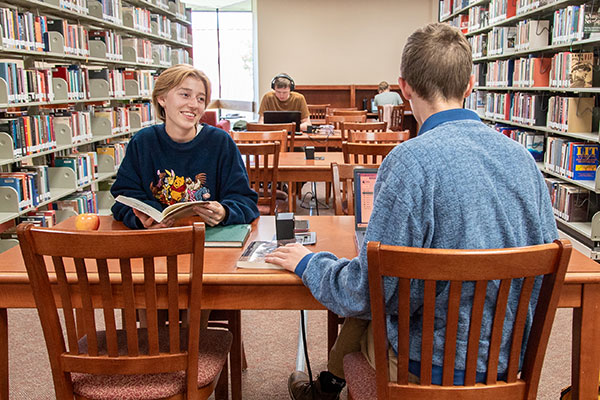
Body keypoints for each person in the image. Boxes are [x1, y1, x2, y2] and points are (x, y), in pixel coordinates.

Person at [265, 23, 558, 400]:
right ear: (469, 84)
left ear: (404, 87)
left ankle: (324, 388)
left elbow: (364, 294)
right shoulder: (522, 159)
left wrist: (308, 263)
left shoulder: (408, 162)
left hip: (426, 366)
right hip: (506, 358)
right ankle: (324, 387)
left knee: (368, 298)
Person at [111, 64, 259, 230]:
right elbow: (122, 200)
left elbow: (245, 201)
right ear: (162, 98)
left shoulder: (220, 142)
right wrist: (140, 219)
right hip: (155, 242)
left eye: (200, 99)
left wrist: (225, 212)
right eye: (185, 95)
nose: (194, 104)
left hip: (210, 244)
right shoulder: (143, 142)